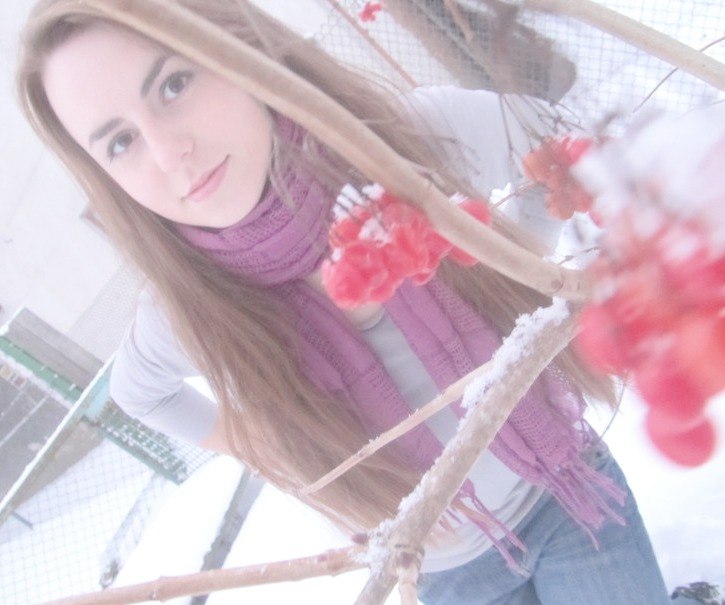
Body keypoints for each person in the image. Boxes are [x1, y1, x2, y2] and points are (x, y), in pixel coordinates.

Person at [17, 1, 678, 603]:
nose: (169, 153)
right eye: (120, 142)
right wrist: (261, 444)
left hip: (570, 496)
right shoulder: (185, 310)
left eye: (173, 84)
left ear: (238, 48)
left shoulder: (406, 143)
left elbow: (552, 146)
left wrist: (525, 270)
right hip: (442, 565)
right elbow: (140, 394)